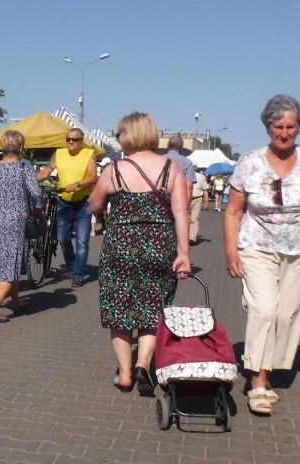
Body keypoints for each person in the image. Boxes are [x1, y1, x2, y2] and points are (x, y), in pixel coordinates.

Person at [224, 95, 300, 415]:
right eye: (278, 127)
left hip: (299, 248)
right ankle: (257, 381)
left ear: (299, 126)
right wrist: (231, 252)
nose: (285, 133)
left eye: (291, 126)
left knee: (286, 316)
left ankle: (267, 370)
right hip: (256, 246)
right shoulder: (249, 161)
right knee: (264, 309)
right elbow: (233, 212)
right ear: (267, 127)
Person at [89, 112, 191, 396]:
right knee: (152, 305)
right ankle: (144, 363)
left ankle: (124, 373)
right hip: (159, 245)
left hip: (120, 244)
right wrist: (183, 253)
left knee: (118, 307)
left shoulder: (114, 169)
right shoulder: (171, 168)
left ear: (128, 136)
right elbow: (181, 213)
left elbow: (94, 205)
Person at [0, 130, 44, 323]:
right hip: (17, 222)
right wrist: (40, 211)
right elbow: (36, 194)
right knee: (11, 265)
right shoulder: (24, 168)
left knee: (5, 260)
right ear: (21, 148)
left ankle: (17, 302)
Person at [36, 128, 97, 287]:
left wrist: (77, 184)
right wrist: (31, 182)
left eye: (75, 139)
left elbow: (92, 177)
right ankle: (71, 265)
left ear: (81, 141)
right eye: (68, 139)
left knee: (82, 241)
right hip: (64, 204)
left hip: (83, 204)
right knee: (63, 239)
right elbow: (46, 172)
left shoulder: (88, 154)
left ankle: (78, 274)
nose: (70, 142)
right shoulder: (59, 153)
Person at [165, 135, 196, 210]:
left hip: (161, 201)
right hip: (179, 201)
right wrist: (186, 208)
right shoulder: (187, 162)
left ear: (168, 145)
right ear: (181, 148)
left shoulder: (159, 159)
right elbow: (189, 187)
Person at [189, 164, 209, 245]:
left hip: (197, 199)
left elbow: (205, 190)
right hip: (185, 199)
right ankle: (184, 237)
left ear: (196, 167)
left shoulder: (200, 177)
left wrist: (206, 202)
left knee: (194, 218)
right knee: (186, 219)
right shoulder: (183, 174)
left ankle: (192, 238)